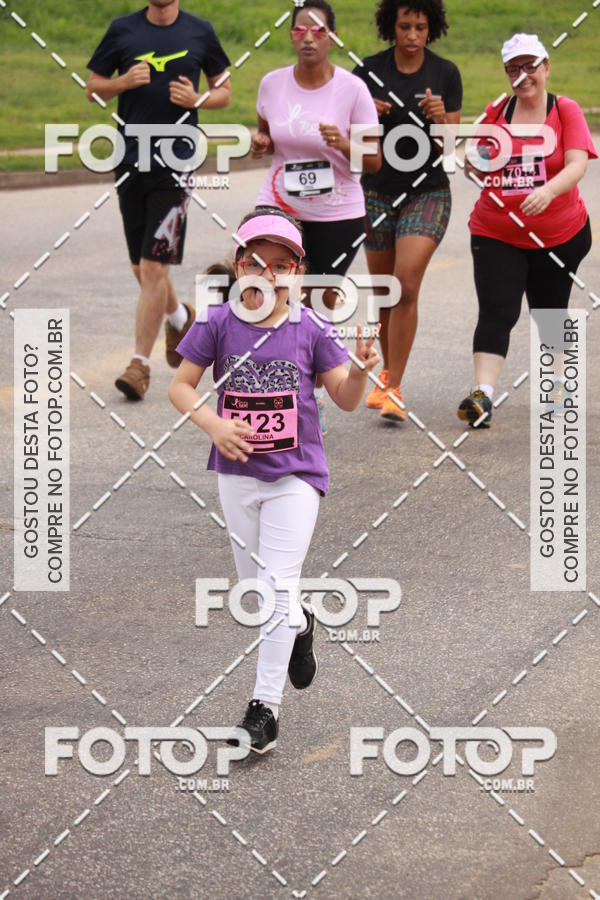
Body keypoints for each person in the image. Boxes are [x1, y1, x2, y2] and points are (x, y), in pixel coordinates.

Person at [168, 208, 380, 753]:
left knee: (276, 586)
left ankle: (264, 710)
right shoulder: (217, 322)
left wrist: (360, 370)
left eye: (281, 265)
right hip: (237, 474)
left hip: (296, 477)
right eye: (255, 262)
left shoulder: (310, 329)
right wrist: (214, 424)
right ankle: (301, 623)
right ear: (239, 266)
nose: (267, 273)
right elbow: (180, 386)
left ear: (299, 273)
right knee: (257, 593)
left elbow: (347, 399)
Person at [85, 0, 231, 400]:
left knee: (153, 266)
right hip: (130, 161)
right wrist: (123, 82)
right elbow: (93, 88)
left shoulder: (200, 31)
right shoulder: (122, 29)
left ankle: (140, 366)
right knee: (141, 268)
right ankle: (181, 318)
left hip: (176, 163)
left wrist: (197, 99)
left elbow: (224, 92)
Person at [250, 0, 381, 434]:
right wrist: (260, 143)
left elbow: (374, 160)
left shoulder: (353, 89)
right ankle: (276, 387)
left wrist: (342, 143)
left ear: (332, 37)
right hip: (281, 206)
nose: (307, 37)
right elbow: (266, 133)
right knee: (275, 297)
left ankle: (313, 395)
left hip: (338, 213)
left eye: (318, 30)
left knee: (313, 304)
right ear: (290, 35)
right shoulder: (271, 84)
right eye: (299, 30)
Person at [458, 33, 597, 428]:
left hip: (560, 234)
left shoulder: (564, 110)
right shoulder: (496, 112)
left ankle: (557, 389)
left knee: (549, 311)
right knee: (497, 310)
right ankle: (482, 397)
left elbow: (577, 164)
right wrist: (474, 163)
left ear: (546, 67)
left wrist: (548, 191)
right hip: (496, 231)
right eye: (513, 69)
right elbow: (473, 160)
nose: (523, 75)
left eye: (530, 66)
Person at [353, 0, 462, 421]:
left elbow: (449, 147)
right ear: (391, 27)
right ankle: (387, 378)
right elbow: (351, 142)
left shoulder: (445, 72)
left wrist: (440, 119)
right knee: (384, 290)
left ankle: (393, 385)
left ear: (431, 28)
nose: (412, 35)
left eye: (420, 26)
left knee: (406, 283)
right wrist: (366, 117)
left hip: (427, 193)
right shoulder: (367, 71)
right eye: (404, 26)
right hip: (377, 193)